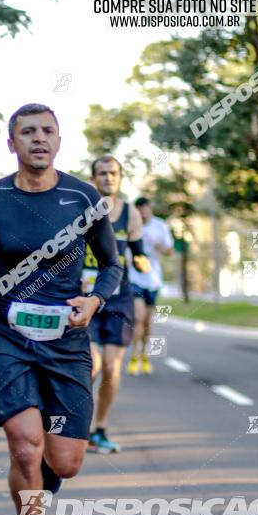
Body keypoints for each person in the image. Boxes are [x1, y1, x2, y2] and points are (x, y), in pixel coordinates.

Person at [0, 103, 121, 515]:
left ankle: (42, 481)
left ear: (59, 142)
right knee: (25, 447)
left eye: (47, 131)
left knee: (64, 461)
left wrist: (95, 301)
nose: (38, 139)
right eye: (27, 132)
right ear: (12, 145)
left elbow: (111, 265)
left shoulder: (84, 197)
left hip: (66, 340)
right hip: (9, 336)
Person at [84, 156, 149, 453]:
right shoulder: (81, 209)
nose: (108, 178)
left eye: (113, 173)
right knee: (92, 365)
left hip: (119, 297)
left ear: (121, 177)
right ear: (93, 177)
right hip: (85, 297)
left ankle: (100, 429)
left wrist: (141, 260)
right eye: (102, 173)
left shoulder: (131, 214)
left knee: (111, 368)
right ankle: (77, 427)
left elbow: (137, 251)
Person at [127, 197, 174, 375]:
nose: (143, 212)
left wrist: (159, 246)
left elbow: (170, 251)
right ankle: (134, 356)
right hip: (135, 279)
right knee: (137, 318)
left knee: (147, 322)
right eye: (140, 209)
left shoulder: (160, 226)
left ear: (149, 209)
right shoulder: (132, 225)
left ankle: (144, 355)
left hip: (153, 280)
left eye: (145, 209)